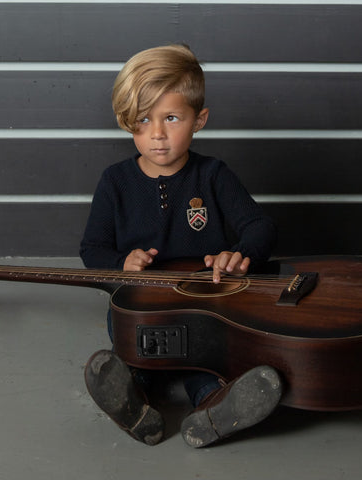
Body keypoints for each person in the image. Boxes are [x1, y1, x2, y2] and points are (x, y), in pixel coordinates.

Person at [79, 44, 281, 448]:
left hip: (205, 303)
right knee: (140, 357)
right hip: (141, 305)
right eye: (142, 120)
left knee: (203, 361)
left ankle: (214, 410)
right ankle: (134, 403)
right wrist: (122, 262)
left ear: (199, 119)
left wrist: (240, 255)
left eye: (171, 118)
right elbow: (92, 247)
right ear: (126, 123)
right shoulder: (115, 182)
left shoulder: (213, 175)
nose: (157, 134)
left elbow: (259, 226)